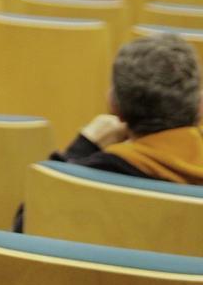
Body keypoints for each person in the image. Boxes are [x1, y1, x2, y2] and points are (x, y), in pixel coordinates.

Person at [13, 34, 203, 230]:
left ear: (114, 105)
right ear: (200, 106)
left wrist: (82, 147)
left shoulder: (89, 178)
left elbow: (24, 228)